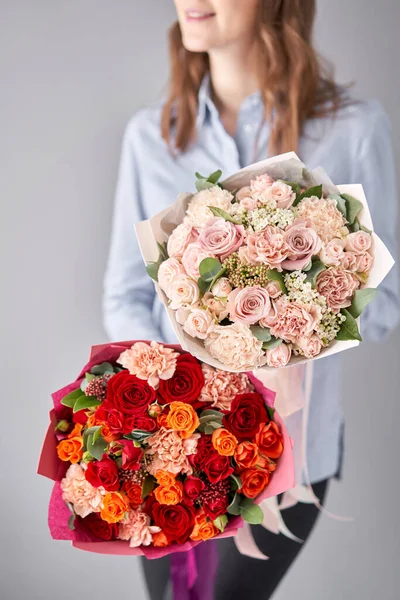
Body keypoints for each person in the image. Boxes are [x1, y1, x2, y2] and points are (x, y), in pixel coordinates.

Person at [103, 1, 400, 598]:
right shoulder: (152, 136)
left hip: (294, 455)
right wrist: (185, 364)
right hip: (174, 445)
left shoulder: (354, 128)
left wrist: (294, 325)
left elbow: (387, 298)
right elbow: (126, 293)